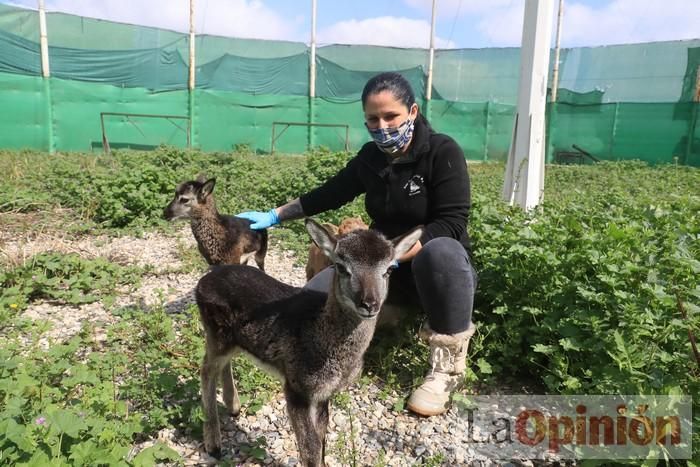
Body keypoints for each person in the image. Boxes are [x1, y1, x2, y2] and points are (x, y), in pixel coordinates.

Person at [237, 71, 477, 417]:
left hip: (432, 270)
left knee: (442, 252)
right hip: (379, 273)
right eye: (372, 119)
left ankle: (446, 365)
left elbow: (452, 222)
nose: (382, 126)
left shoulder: (441, 152)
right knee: (315, 295)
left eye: (391, 116)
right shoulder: (372, 157)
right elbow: (330, 194)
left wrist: (392, 257)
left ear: (412, 111)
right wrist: (275, 215)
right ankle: (381, 321)